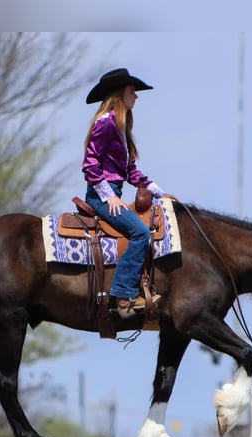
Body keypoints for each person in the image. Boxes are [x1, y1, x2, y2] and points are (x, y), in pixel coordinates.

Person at [82, 68, 177, 318]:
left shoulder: (120, 127)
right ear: (120, 93)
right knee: (140, 233)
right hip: (101, 195)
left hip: (111, 190)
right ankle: (123, 294)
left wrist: (159, 193)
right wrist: (108, 195)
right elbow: (90, 165)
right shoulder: (106, 123)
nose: (136, 96)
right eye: (132, 91)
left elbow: (131, 172)